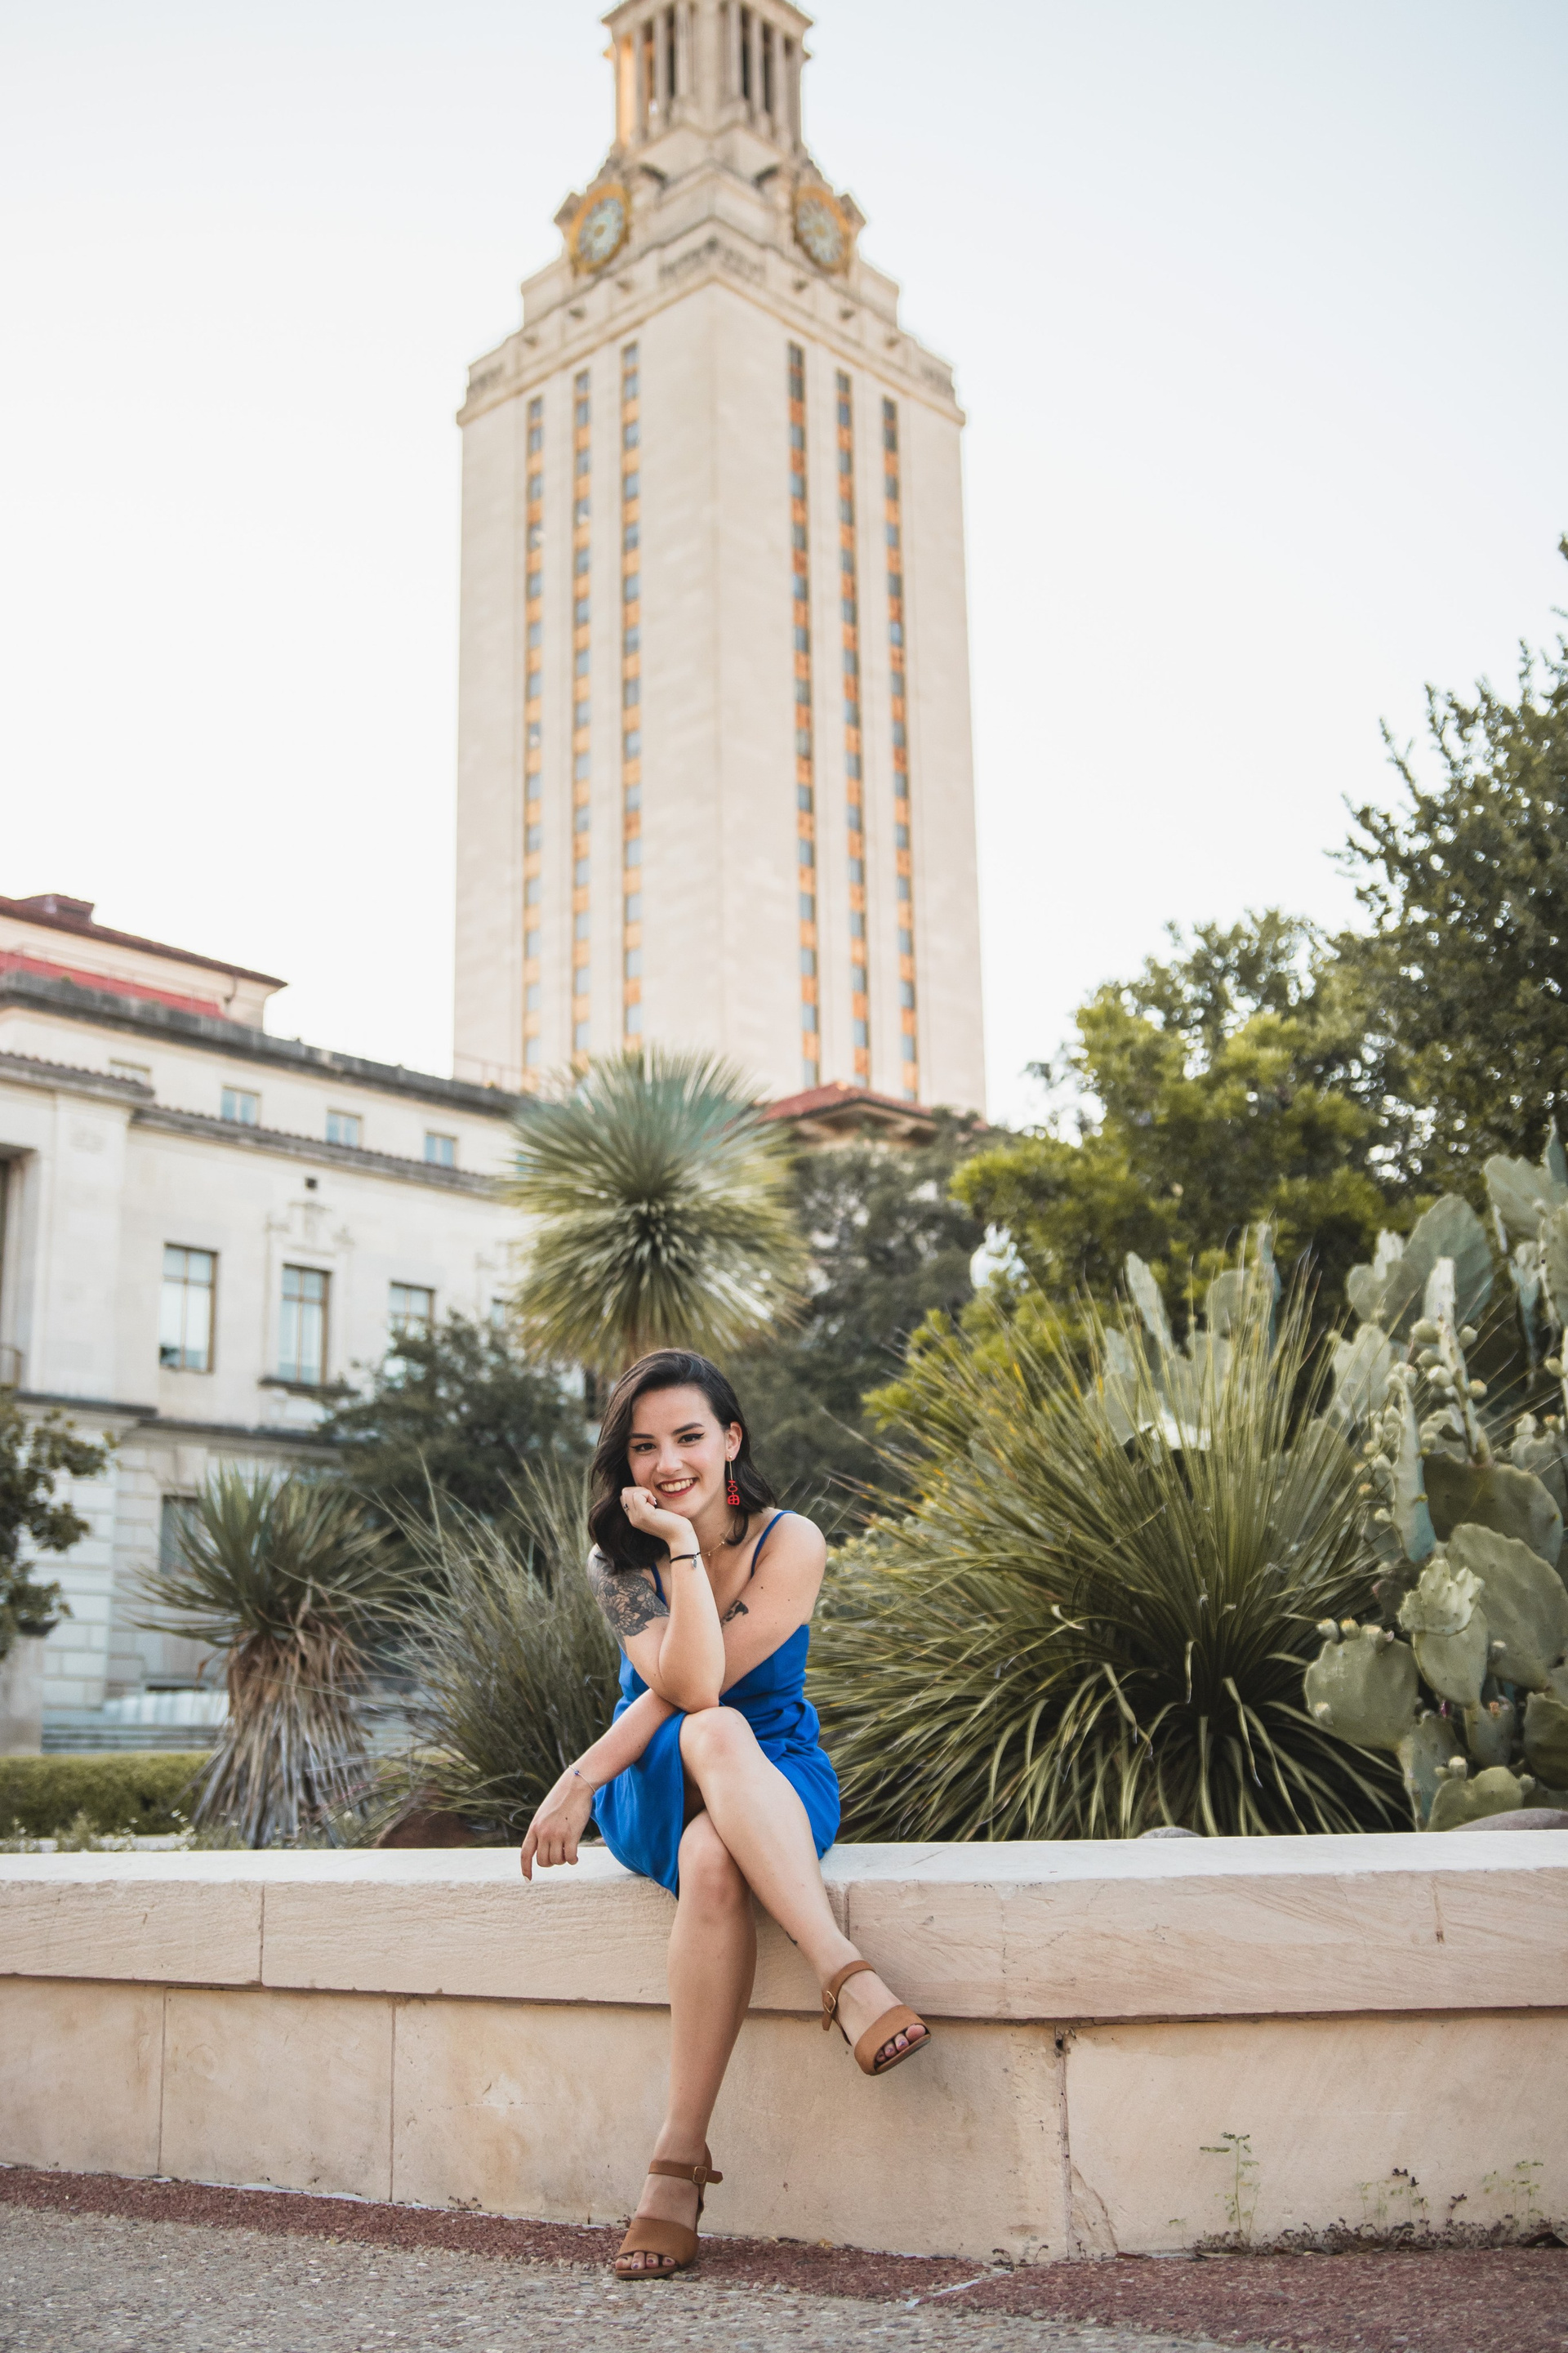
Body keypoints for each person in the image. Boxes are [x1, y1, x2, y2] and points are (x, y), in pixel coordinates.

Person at [519, 1346, 930, 2281]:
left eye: (689, 1437)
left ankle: (676, 2161)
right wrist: (674, 1545)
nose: (668, 1463)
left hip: (774, 1776)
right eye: (644, 1446)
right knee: (706, 1732)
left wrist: (579, 1772)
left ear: (732, 1439)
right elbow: (686, 1686)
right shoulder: (617, 1562)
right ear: (625, 1461)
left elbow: (712, 1687)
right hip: (655, 1781)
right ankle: (846, 1976)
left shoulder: (792, 1540)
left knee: (716, 1824)